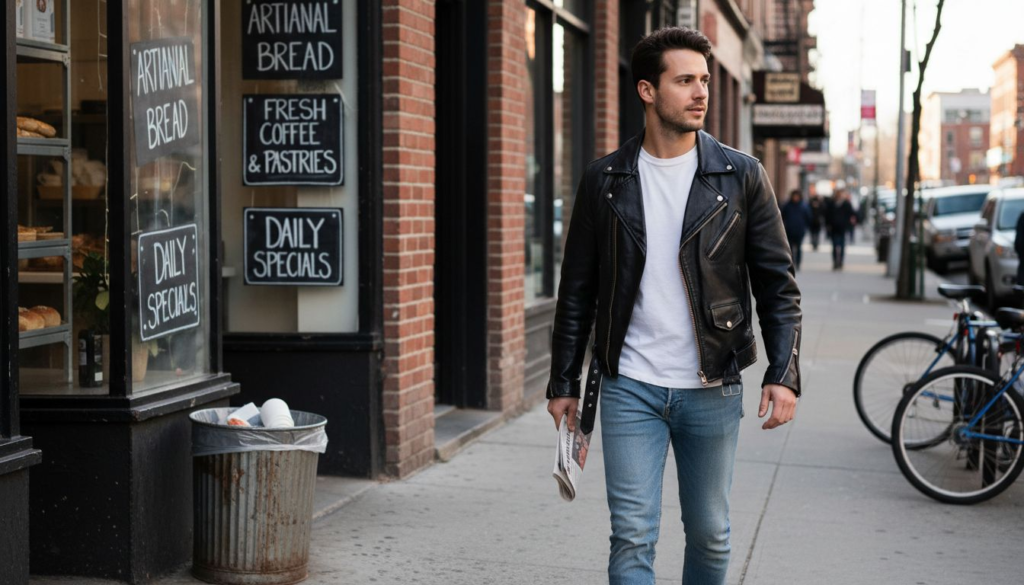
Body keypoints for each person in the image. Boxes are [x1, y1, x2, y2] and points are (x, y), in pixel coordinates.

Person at [545, 27, 801, 585]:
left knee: (710, 533)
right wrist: (564, 381)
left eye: (704, 80)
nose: (701, 92)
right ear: (647, 90)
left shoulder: (741, 176)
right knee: (632, 535)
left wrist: (783, 373)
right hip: (629, 385)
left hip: (712, 387)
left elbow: (778, 286)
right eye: (685, 81)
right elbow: (576, 291)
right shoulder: (605, 180)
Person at [781, 190, 812, 270]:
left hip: (800, 230)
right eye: (794, 196)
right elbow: (782, 216)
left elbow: (808, 217)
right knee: (790, 248)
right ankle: (791, 262)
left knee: (798, 247)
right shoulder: (787, 206)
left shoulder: (804, 206)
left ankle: (798, 263)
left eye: (797, 196)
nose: (795, 198)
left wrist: (805, 227)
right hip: (789, 230)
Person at [829, 189, 856, 270]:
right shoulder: (832, 203)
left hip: (843, 228)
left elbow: (852, 213)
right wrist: (828, 225)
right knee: (834, 246)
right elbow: (827, 214)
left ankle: (840, 261)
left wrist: (849, 223)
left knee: (842, 246)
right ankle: (835, 262)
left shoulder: (846, 204)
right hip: (834, 228)